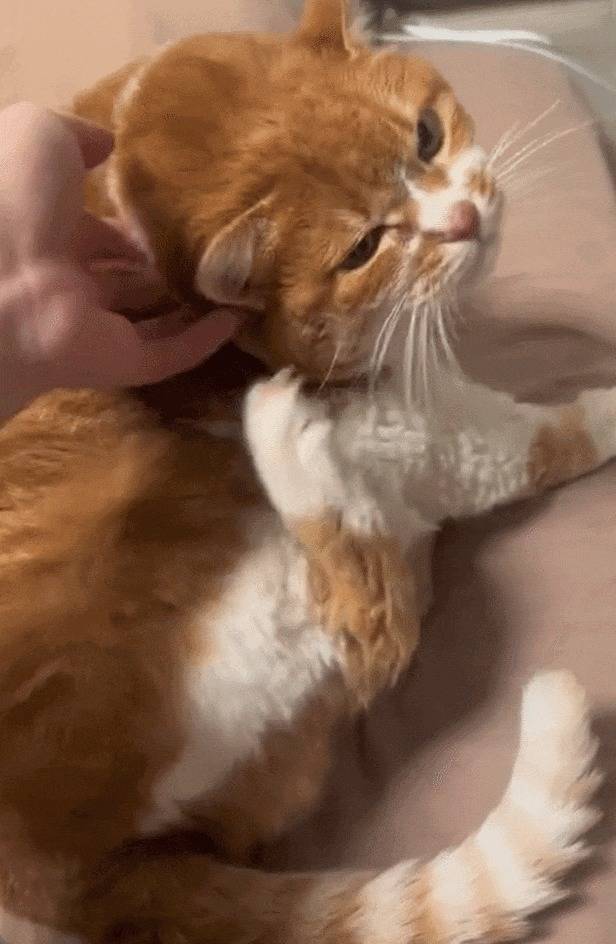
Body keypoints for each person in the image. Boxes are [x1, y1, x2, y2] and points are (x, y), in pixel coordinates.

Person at [0, 102, 243, 421]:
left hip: (57, 337)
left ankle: (231, 316)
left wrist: (229, 319)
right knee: (104, 142)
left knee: (166, 352)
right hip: (30, 165)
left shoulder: (63, 338)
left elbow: (166, 357)